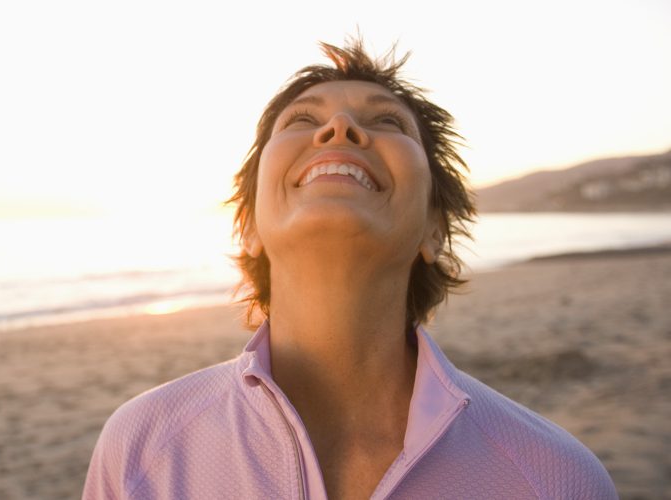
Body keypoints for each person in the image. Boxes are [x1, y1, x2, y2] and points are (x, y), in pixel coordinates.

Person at [82, 37, 617, 499]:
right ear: (248, 226)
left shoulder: (558, 481)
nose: (339, 127)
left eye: (386, 121)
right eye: (302, 120)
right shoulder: (141, 447)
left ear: (434, 229)